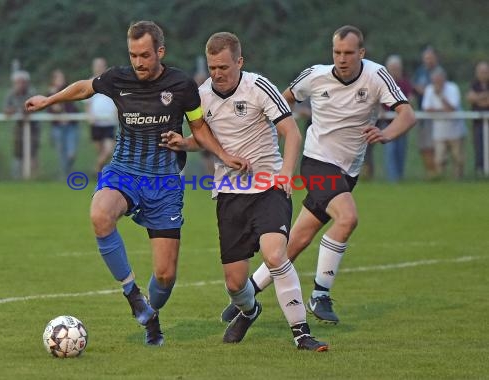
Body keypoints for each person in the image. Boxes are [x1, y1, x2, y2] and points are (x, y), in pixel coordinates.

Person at [25, 21, 248, 346]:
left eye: (145, 55)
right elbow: (84, 87)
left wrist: (224, 156)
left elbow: (199, 128)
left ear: (160, 51)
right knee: (100, 214)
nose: (139, 62)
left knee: (165, 276)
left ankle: (151, 315)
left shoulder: (182, 85)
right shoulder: (118, 78)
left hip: (165, 184)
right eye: (133, 55)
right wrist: (48, 100)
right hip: (124, 172)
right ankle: (132, 294)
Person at [219, 25, 416, 325]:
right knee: (348, 218)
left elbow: (407, 114)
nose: (342, 58)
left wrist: (386, 134)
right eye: (337, 52)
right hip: (317, 162)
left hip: (348, 171)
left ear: (361, 53)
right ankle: (320, 294)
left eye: (349, 53)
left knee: (296, 240)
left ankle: (248, 293)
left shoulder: (376, 76)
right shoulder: (314, 75)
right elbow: (280, 101)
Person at [161, 32, 328, 351]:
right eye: (212, 67)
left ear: (239, 62)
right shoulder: (201, 96)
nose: (217, 73)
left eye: (223, 66)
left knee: (276, 254)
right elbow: (204, 139)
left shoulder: (259, 87)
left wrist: (285, 175)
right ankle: (249, 310)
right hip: (229, 193)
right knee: (236, 284)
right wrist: (183, 142)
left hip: (269, 187)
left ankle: (301, 333)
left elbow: (291, 133)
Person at [422, 67, 466, 179]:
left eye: (439, 79)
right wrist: (442, 110)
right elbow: (426, 109)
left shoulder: (452, 88)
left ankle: (458, 179)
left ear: (444, 78)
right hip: (439, 131)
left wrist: (441, 96)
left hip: (455, 130)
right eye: (435, 80)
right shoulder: (429, 89)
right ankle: (441, 179)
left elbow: (451, 108)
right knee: (439, 159)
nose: (437, 82)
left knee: (458, 158)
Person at [380, 55, 414, 182]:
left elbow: (410, 98)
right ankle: (392, 179)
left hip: (402, 123)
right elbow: (375, 99)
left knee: (401, 150)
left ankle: (400, 177)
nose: (395, 71)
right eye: (393, 68)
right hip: (388, 123)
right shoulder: (382, 83)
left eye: (397, 68)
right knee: (390, 150)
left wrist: (406, 108)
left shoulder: (405, 83)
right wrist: (380, 110)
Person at [86, 57, 119, 173]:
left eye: (101, 65)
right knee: (100, 152)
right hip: (96, 123)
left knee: (108, 151)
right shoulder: (89, 82)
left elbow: (117, 100)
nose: (99, 67)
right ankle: (102, 174)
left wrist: (117, 112)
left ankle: (96, 169)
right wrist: (89, 116)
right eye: (97, 65)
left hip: (109, 122)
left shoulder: (111, 82)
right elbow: (88, 104)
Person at [4, 70, 40, 178]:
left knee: (32, 154)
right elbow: (6, 110)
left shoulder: (32, 93)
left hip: (33, 128)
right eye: (18, 82)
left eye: (22, 82)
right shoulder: (11, 94)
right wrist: (17, 110)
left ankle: (34, 177)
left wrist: (24, 111)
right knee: (18, 154)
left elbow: (35, 108)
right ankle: (17, 177)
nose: (20, 85)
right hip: (18, 128)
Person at [412, 46, 439, 179]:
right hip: (422, 114)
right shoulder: (420, 72)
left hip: (435, 115)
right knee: (423, 145)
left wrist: (427, 90)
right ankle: (429, 172)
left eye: (430, 57)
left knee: (434, 145)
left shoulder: (439, 72)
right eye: (426, 58)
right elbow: (415, 86)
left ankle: (436, 172)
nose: (428, 60)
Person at [47, 69, 79, 177]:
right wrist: (53, 94)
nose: (61, 80)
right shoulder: (50, 93)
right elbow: (53, 109)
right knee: (62, 153)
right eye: (58, 78)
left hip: (70, 126)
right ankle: (65, 175)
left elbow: (73, 108)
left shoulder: (70, 91)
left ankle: (68, 170)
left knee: (71, 154)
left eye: (62, 78)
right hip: (58, 127)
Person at [467, 61, 489, 177]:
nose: (483, 74)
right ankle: (479, 172)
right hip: (477, 123)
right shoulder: (474, 84)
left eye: (485, 72)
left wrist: (478, 98)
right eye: (481, 72)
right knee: (478, 147)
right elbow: (470, 98)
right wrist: (484, 96)